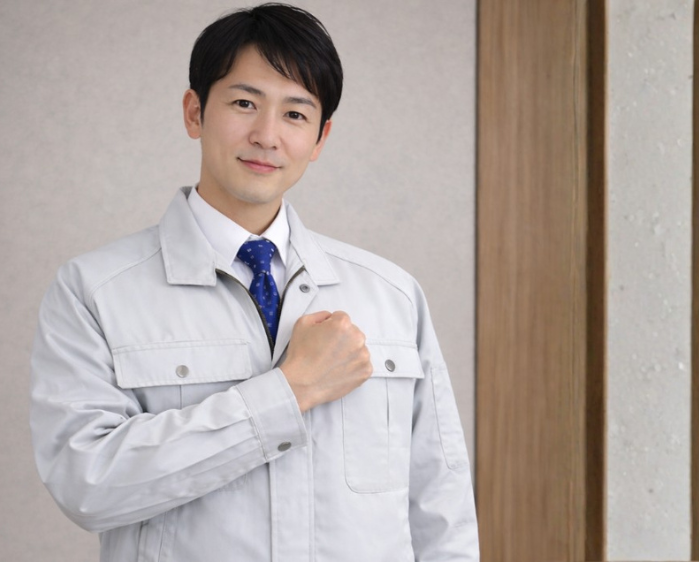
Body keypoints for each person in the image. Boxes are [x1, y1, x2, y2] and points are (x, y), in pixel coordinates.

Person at [29, 3, 479, 560]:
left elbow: (441, 509)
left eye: (295, 114)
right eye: (244, 103)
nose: (267, 136)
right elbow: (87, 484)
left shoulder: (392, 296)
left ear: (320, 137)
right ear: (195, 112)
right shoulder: (95, 291)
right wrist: (290, 392)